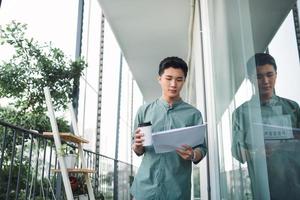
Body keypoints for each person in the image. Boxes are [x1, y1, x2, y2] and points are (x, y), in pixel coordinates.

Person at [130, 56, 207, 199]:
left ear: (184, 81)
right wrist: (137, 146)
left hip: (176, 190)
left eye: (179, 79)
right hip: (145, 189)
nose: (173, 84)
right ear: (159, 79)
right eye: (168, 78)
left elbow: (202, 149)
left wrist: (192, 154)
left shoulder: (193, 114)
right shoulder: (144, 111)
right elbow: (137, 149)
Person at [231, 53, 300, 200]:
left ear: (276, 74)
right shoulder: (242, 113)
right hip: (266, 188)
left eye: (270, 74)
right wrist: (258, 152)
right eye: (259, 76)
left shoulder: (292, 107)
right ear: (250, 79)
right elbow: (238, 153)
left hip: (296, 182)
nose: (266, 81)